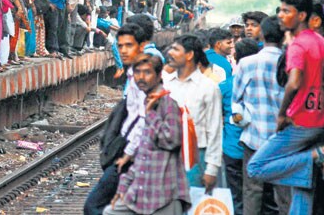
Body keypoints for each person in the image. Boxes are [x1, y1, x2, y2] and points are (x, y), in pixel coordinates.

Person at [247, 0, 324, 214]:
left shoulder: (298, 45)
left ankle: (317, 156)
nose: (281, 15)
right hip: (320, 121)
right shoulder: (321, 42)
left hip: (301, 122)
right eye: (280, 10)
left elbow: (293, 82)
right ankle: (311, 161)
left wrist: (282, 114)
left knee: (255, 167)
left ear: (301, 15)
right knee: (302, 187)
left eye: (286, 11)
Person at [104, 54, 191, 215]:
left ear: (159, 76)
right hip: (143, 189)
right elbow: (143, 151)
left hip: (165, 193)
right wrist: (124, 185)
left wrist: (150, 114)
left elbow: (171, 140)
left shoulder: (168, 103)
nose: (141, 78)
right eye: (137, 73)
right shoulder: (147, 101)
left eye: (147, 73)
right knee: (110, 212)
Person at [84, 24, 147, 215]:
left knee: (93, 206)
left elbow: (144, 119)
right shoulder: (133, 72)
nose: (123, 51)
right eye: (120, 46)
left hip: (132, 153)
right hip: (130, 150)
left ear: (141, 46)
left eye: (129, 45)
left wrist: (128, 153)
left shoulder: (143, 75)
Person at [233, 16, 291, 215]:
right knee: (284, 193)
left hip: (253, 138)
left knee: (252, 191)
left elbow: (236, 102)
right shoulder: (291, 63)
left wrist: (243, 118)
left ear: (263, 35)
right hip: (284, 139)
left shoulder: (247, 63)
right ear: (284, 36)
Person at [164, 34, 223, 192]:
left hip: (198, 156)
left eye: (176, 49)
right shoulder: (166, 85)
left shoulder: (208, 87)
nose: (170, 53)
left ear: (189, 55)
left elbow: (215, 129)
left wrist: (212, 169)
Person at [220, 37, 260, 214]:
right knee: (261, 193)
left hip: (233, 147)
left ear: (235, 57)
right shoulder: (265, 82)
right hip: (260, 145)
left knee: (236, 195)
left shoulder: (224, 86)